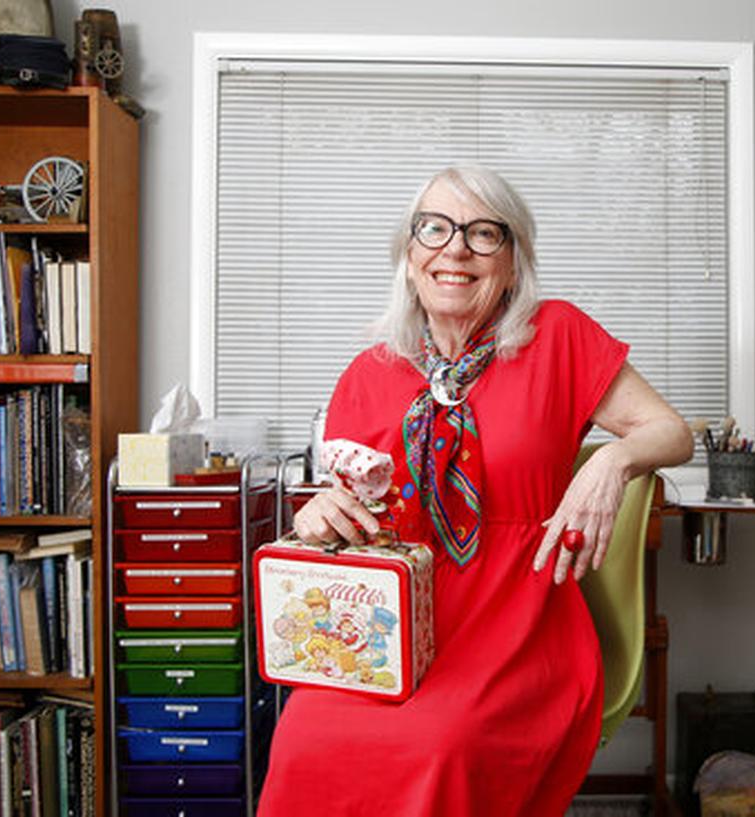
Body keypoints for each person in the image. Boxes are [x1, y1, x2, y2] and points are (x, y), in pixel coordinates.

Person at [257, 165, 693, 817]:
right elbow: (355, 528)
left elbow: (672, 431)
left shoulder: (559, 335)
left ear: (512, 264)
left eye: (483, 233)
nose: (455, 248)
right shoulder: (368, 372)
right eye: (433, 229)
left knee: (442, 745)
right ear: (409, 257)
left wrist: (614, 460)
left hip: (520, 619)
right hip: (394, 627)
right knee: (303, 736)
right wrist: (320, 514)